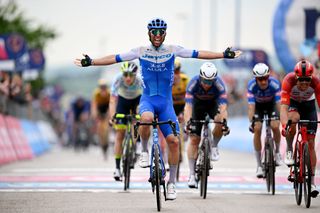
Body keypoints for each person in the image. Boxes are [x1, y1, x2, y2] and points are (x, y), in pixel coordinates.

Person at [75, 18, 241, 200]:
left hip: (166, 104)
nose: (157, 35)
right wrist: (91, 61)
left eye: (160, 32)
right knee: (145, 119)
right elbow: (114, 58)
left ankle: (171, 183)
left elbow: (198, 54)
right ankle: (145, 150)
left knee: (174, 142)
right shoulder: (140, 51)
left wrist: (223, 55)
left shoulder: (172, 50)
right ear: (149, 33)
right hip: (148, 100)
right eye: (154, 32)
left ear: (165, 34)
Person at [184, 62, 230, 188]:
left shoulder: (219, 85)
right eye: (205, 81)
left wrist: (223, 122)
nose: (207, 85)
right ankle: (192, 174)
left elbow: (223, 107)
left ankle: (214, 145)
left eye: (210, 82)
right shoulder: (193, 83)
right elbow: (188, 106)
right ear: (200, 77)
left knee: (220, 121)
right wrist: (188, 122)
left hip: (212, 105)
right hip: (197, 107)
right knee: (194, 139)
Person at [280, 59, 320, 198]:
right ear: (296, 77)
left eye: (307, 80)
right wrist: (285, 126)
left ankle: (313, 182)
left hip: (309, 108)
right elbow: (283, 108)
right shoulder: (288, 80)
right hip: (294, 105)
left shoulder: (316, 82)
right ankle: (290, 149)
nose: (304, 83)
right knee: (293, 120)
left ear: (311, 78)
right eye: (301, 80)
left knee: (310, 144)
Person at [108, 61, 143, 181]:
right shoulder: (118, 78)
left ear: (135, 75)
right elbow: (112, 100)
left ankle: (138, 144)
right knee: (119, 134)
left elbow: (146, 98)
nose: (128, 78)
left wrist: (142, 113)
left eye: (131, 75)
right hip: (122, 101)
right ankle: (117, 168)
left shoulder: (140, 80)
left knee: (138, 121)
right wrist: (112, 116)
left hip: (137, 101)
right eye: (125, 75)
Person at [247, 63, 282, 178]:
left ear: (268, 76)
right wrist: (251, 122)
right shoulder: (251, 85)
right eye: (260, 79)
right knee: (257, 128)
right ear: (255, 78)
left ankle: (277, 153)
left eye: (265, 78)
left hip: (271, 105)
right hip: (258, 107)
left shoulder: (275, 83)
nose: (263, 82)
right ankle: (258, 165)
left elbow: (278, 104)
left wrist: (281, 117)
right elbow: (251, 107)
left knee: (275, 126)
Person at [91, 78, 111, 158]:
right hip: (100, 109)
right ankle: (101, 142)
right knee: (99, 128)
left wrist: (109, 114)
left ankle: (107, 142)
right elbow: (94, 105)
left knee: (106, 128)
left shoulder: (109, 93)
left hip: (106, 109)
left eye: (104, 87)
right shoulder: (96, 93)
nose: (103, 89)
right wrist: (94, 113)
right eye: (101, 87)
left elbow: (111, 105)